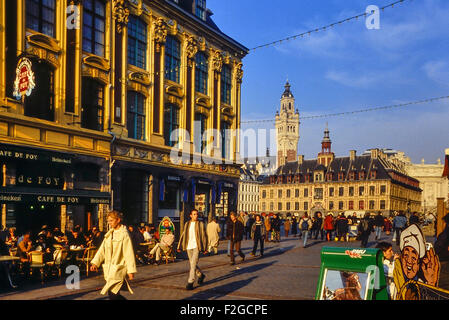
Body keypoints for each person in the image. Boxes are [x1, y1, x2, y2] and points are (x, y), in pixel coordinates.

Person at [90, 211, 137, 300]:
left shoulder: (124, 234)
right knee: (113, 294)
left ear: (118, 220)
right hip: (109, 268)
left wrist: (131, 270)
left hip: (119, 268)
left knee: (113, 294)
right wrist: (95, 263)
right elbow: (102, 250)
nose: (109, 223)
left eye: (111, 221)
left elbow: (128, 252)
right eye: (108, 221)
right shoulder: (109, 234)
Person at [393, 224, 440, 300]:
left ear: (419, 262)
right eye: (406, 255)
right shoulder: (398, 276)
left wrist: (431, 284)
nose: (409, 261)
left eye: (413, 258)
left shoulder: (421, 282)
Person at [177, 209, 207, 290]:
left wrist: (205, 248)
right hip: (188, 246)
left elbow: (204, 236)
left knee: (193, 264)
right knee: (192, 264)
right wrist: (179, 245)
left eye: (197, 214)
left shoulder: (200, 224)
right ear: (190, 215)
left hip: (197, 246)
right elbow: (183, 234)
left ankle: (190, 282)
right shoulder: (187, 224)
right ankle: (201, 275)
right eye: (194, 214)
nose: (196, 216)